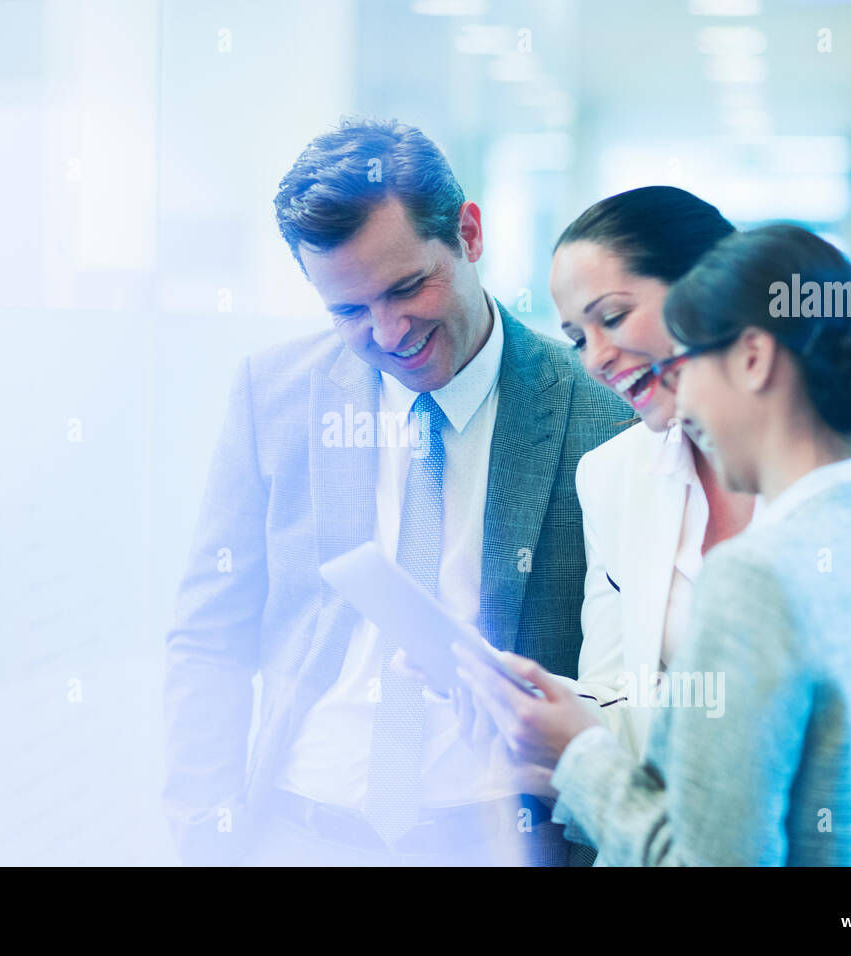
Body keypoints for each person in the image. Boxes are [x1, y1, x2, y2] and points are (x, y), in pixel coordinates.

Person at [162, 118, 630, 866]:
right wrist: (203, 831)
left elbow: (629, 680)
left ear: (470, 234)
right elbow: (210, 635)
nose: (389, 332)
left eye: (408, 286)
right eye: (349, 311)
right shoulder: (273, 396)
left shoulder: (602, 415)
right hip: (297, 831)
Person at [456, 224, 851, 865]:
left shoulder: (755, 576)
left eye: (686, 364)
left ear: (753, 359)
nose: (683, 402)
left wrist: (576, 758)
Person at [550, 187, 851, 865]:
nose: (595, 356)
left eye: (614, 317)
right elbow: (631, 707)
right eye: (575, 338)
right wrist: (556, 726)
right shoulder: (610, 475)